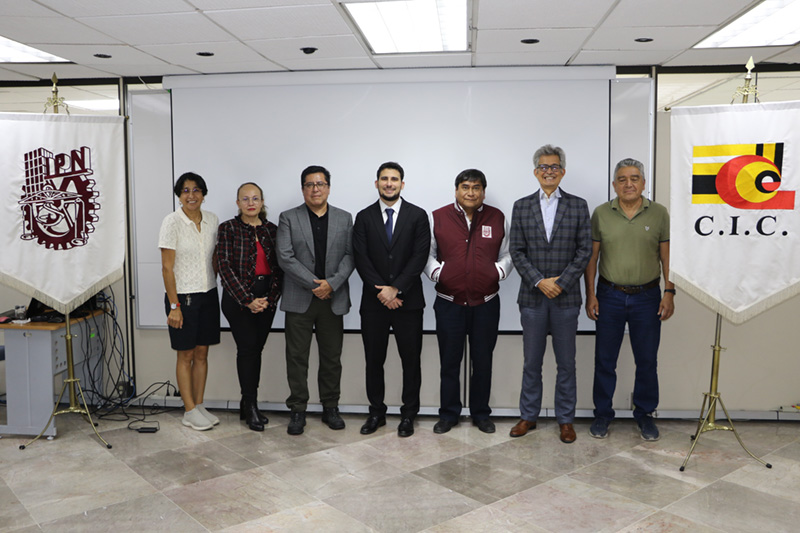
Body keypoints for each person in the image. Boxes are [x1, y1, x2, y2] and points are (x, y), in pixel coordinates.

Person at [584, 158, 675, 441]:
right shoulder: (601, 213)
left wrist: (669, 292)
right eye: (622, 179)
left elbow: (667, 258)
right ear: (614, 185)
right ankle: (602, 414)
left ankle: (645, 414)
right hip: (608, 296)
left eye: (634, 178)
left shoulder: (659, 213)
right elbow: (592, 258)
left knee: (647, 360)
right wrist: (590, 295)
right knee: (604, 360)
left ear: (643, 183)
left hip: (648, 297)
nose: (628, 184)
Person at [509, 145, 591, 444]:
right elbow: (516, 251)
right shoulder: (521, 206)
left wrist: (562, 282)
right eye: (543, 167)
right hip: (532, 298)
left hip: (566, 299)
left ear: (562, 171)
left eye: (554, 166)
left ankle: (565, 420)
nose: (549, 171)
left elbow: (584, 250)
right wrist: (539, 281)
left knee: (566, 363)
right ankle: (528, 416)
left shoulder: (578, 205)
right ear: (535, 172)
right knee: (531, 362)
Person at [425, 169, 513, 434]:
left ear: (483, 192)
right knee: (449, 362)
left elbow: (508, 254)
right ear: (456, 190)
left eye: (476, 188)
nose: (471, 193)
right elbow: (427, 254)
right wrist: (438, 274)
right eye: (465, 187)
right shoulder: (438, 217)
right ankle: (448, 414)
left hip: (485, 303)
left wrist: (497, 272)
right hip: (449, 303)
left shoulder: (497, 217)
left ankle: (481, 414)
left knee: (482, 362)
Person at [353, 162, 430, 438]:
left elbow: (419, 256)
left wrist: (396, 289)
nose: (389, 183)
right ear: (377, 183)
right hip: (374, 304)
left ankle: (409, 414)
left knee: (410, 361)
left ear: (402, 184)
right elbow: (361, 258)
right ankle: (376, 412)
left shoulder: (418, 215)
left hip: (408, 303)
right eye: (384, 179)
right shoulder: (363, 217)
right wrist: (383, 292)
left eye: (394, 179)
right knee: (374, 360)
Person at [277, 165, 355, 435]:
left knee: (331, 357)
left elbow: (351, 256)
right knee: (297, 357)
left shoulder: (345, 218)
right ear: (303, 189)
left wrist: (331, 283)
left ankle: (330, 407)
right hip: (300, 298)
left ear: (328, 188)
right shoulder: (288, 218)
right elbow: (285, 257)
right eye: (309, 185)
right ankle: (297, 409)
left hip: (333, 298)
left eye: (320, 184)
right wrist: (315, 285)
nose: (315, 189)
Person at [217, 182, 283, 432]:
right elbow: (224, 267)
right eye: (245, 199)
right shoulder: (228, 228)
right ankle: (251, 405)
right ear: (238, 203)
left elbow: (280, 267)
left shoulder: (272, 230)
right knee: (247, 350)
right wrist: (247, 299)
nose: (250, 203)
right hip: (238, 300)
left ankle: (247, 404)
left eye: (255, 198)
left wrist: (269, 299)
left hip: (266, 300)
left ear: (262, 202)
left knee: (256, 350)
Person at [158, 172, 220, 431]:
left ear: (203, 194)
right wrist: (174, 306)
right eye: (185, 190)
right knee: (186, 354)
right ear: (179, 195)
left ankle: (199, 404)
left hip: (208, 293)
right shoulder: (172, 222)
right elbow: (166, 268)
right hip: (182, 298)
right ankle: (189, 410)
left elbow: (215, 258)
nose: (191, 195)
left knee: (202, 353)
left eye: (196, 190)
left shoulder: (213, 220)